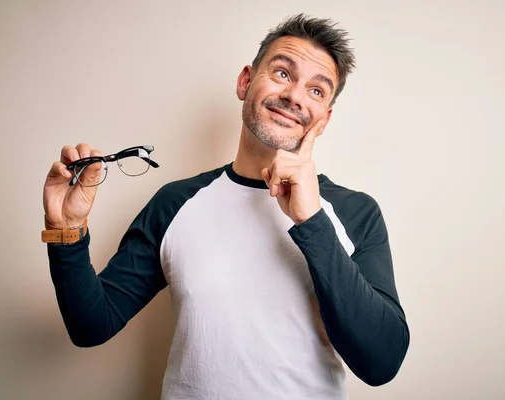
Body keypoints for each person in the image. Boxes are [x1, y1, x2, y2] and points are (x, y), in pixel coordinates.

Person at [42, 14, 410, 400]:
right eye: (283, 73)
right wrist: (66, 231)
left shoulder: (356, 214)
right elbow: (92, 325)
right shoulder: (175, 203)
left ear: (325, 118)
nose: (296, 96)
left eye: (317, 91)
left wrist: (312, 220)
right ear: (246, 81)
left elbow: (381, 363)